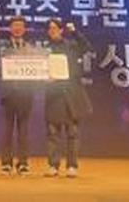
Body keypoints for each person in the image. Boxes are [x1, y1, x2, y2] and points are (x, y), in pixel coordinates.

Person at [43, 19, 93, 178]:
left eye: (54, 28)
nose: (52, 31)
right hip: (53, 94)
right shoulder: (45, 49)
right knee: (53, 133)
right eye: (49, 28)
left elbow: (87, 47)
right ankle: (53, 165)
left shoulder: (71, 46)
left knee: (72, 133)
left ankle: (72, 166)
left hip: (71, 93)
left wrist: (75, 32)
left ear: (61, 30)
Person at [0, 16, 34, 176]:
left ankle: (23, 164)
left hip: (26, 94)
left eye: (20, 25)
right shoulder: (2, 46)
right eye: (15, 25)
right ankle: (6, 164)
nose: (18, 28)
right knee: (7, 131)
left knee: (24, 132)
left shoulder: (30, 47)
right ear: (10, 28)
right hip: (7, 93)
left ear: (24, 29)